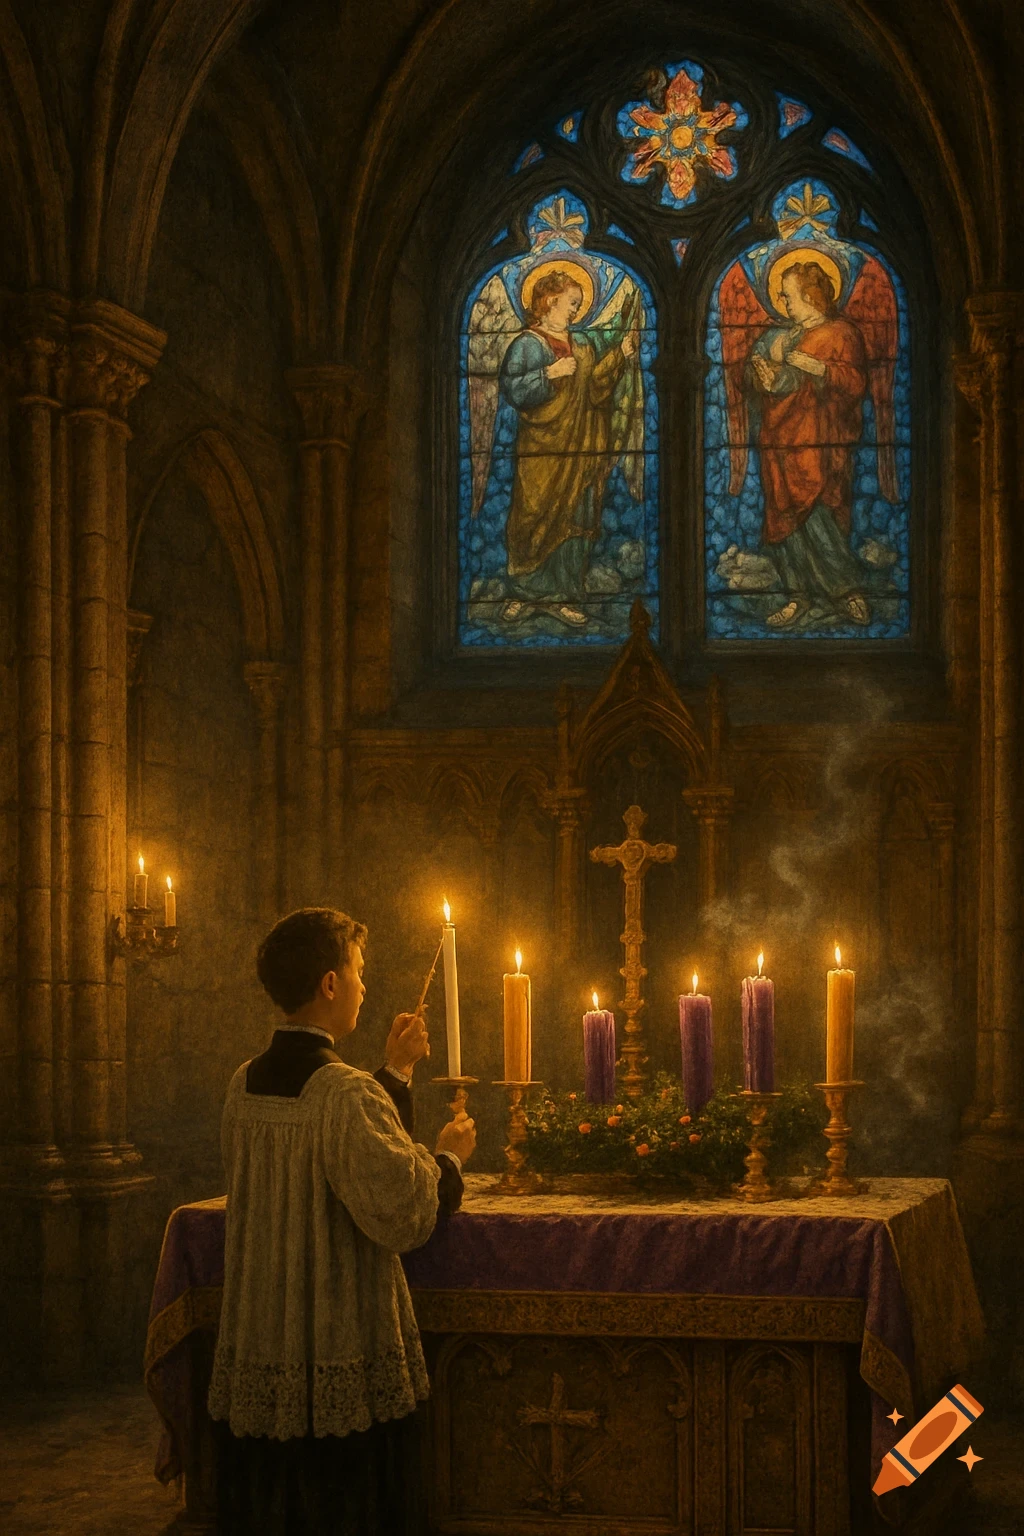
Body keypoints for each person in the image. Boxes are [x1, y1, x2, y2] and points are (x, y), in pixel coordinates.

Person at [208, 907, 476, 1535]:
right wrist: (448, 1159)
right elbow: (402, 1208)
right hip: (335, 1336)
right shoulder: (346, 1092)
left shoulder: (243, 1083)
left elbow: (341, 1151)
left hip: (265, 1334)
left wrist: (396, 1070)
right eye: (357, 971)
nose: (364, 985)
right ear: (330, 983)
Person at [499, 269, 637, 628]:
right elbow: (513, 389)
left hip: (579, 447)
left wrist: (619, 356)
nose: (576, 311)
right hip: (542, 449)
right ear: (549, 302)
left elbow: (595, 389)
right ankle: (523, 592)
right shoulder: (527, 344)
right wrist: (549, 374)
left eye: (578, 304)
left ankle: (565, 595)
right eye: (571, 303)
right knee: (532, 513)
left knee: (576, 514)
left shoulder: (583, 346)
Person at [747, 260, 871, 629]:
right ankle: (796, 595)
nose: (783, 302)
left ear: (811, 296)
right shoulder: (782, 337)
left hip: (821, 441)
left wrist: (820, 369)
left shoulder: (842, 334)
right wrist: (766, 377)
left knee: (818, 514)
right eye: (782, 296)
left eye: (788, 295)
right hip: (780, 442)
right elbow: (763, 380)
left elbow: (855, 384)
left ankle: (847, 592)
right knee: (785, 516)